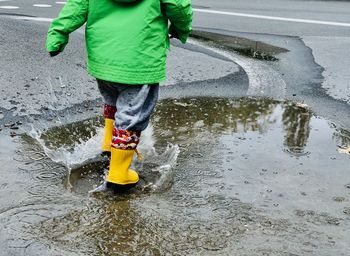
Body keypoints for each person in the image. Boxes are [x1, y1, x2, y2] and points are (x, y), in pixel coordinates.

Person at [46, 0, 193, 192]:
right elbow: (178, 6)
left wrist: (57, 34)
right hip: (140, 60)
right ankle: (119, 173)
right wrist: (181, 29)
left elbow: (76, 6)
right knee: (132, 115)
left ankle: (108, 145)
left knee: (112, 99)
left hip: (104, 59)